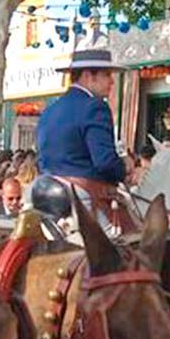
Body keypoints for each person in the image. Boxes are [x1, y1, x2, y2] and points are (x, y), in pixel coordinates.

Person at [36, 49, 133, 236]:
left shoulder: (50, 109)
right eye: (106, 75)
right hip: (82, 198)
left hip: (45, 195)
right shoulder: (95, 107)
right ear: (88, 76)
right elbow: (104, 162)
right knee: (133, 249)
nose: (112, 81)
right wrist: (125, 167)